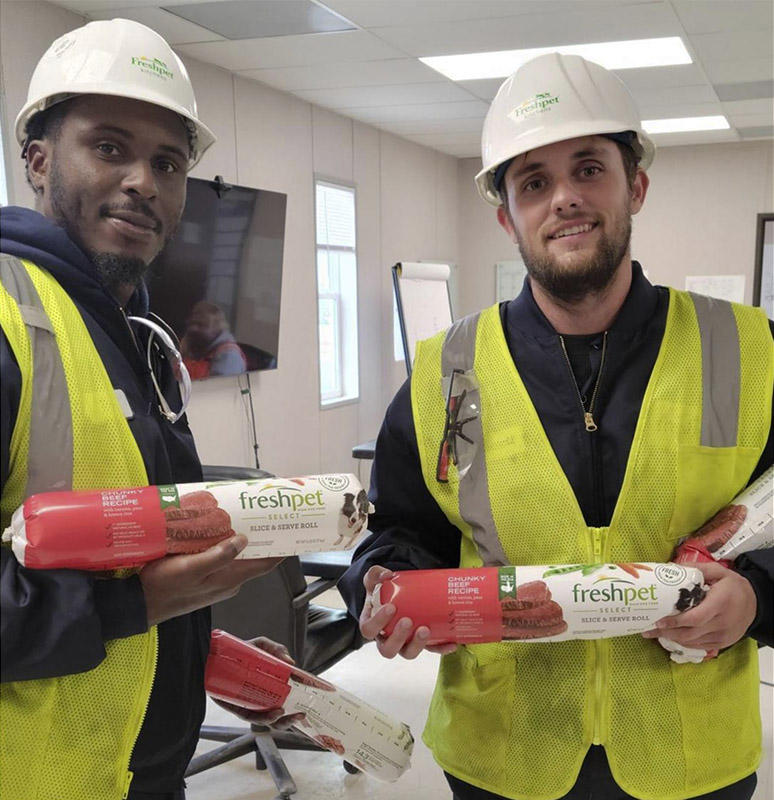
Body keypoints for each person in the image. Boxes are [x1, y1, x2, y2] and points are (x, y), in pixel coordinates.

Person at [338, 52, 774, 800]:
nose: (564, 198)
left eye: (588, 169)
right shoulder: (447, 369)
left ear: (634, 185)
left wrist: (759, 598)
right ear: (507, 214)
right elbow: (401, 532)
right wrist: (382, 586)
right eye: (534, 182)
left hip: (690, 756)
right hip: (505, 753)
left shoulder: (746, 348)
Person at [0, 19, 297, 800]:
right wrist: (145, 602)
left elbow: (128, 566)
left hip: (141, 774)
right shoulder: (7, 319)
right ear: (37, 161)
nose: (142, 180)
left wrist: (203, 647)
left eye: (166, 162)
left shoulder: (131, 335)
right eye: (108, 147)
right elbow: (131, 592)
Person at [181, 300, 247, 379]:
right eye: (192, 323)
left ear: (218, 328)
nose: (193, 328)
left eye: (201, 325)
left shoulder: (228, 356)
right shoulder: (189, 346)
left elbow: (219, 389)